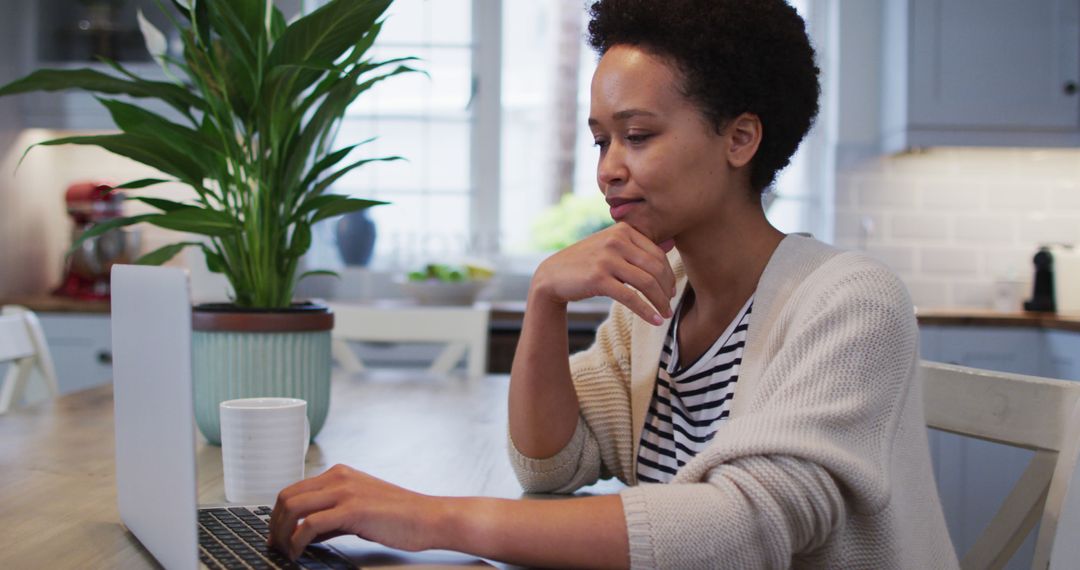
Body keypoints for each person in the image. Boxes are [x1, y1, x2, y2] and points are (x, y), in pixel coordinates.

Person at [269, 0, 959, 567]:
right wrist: (545, 296)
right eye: (601, 141)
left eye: (637, 135)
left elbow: (745, 530)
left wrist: (434, 518)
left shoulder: (851, 302)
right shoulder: (655, 301)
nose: (607, 170)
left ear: (740, 139)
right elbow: (550, 464)